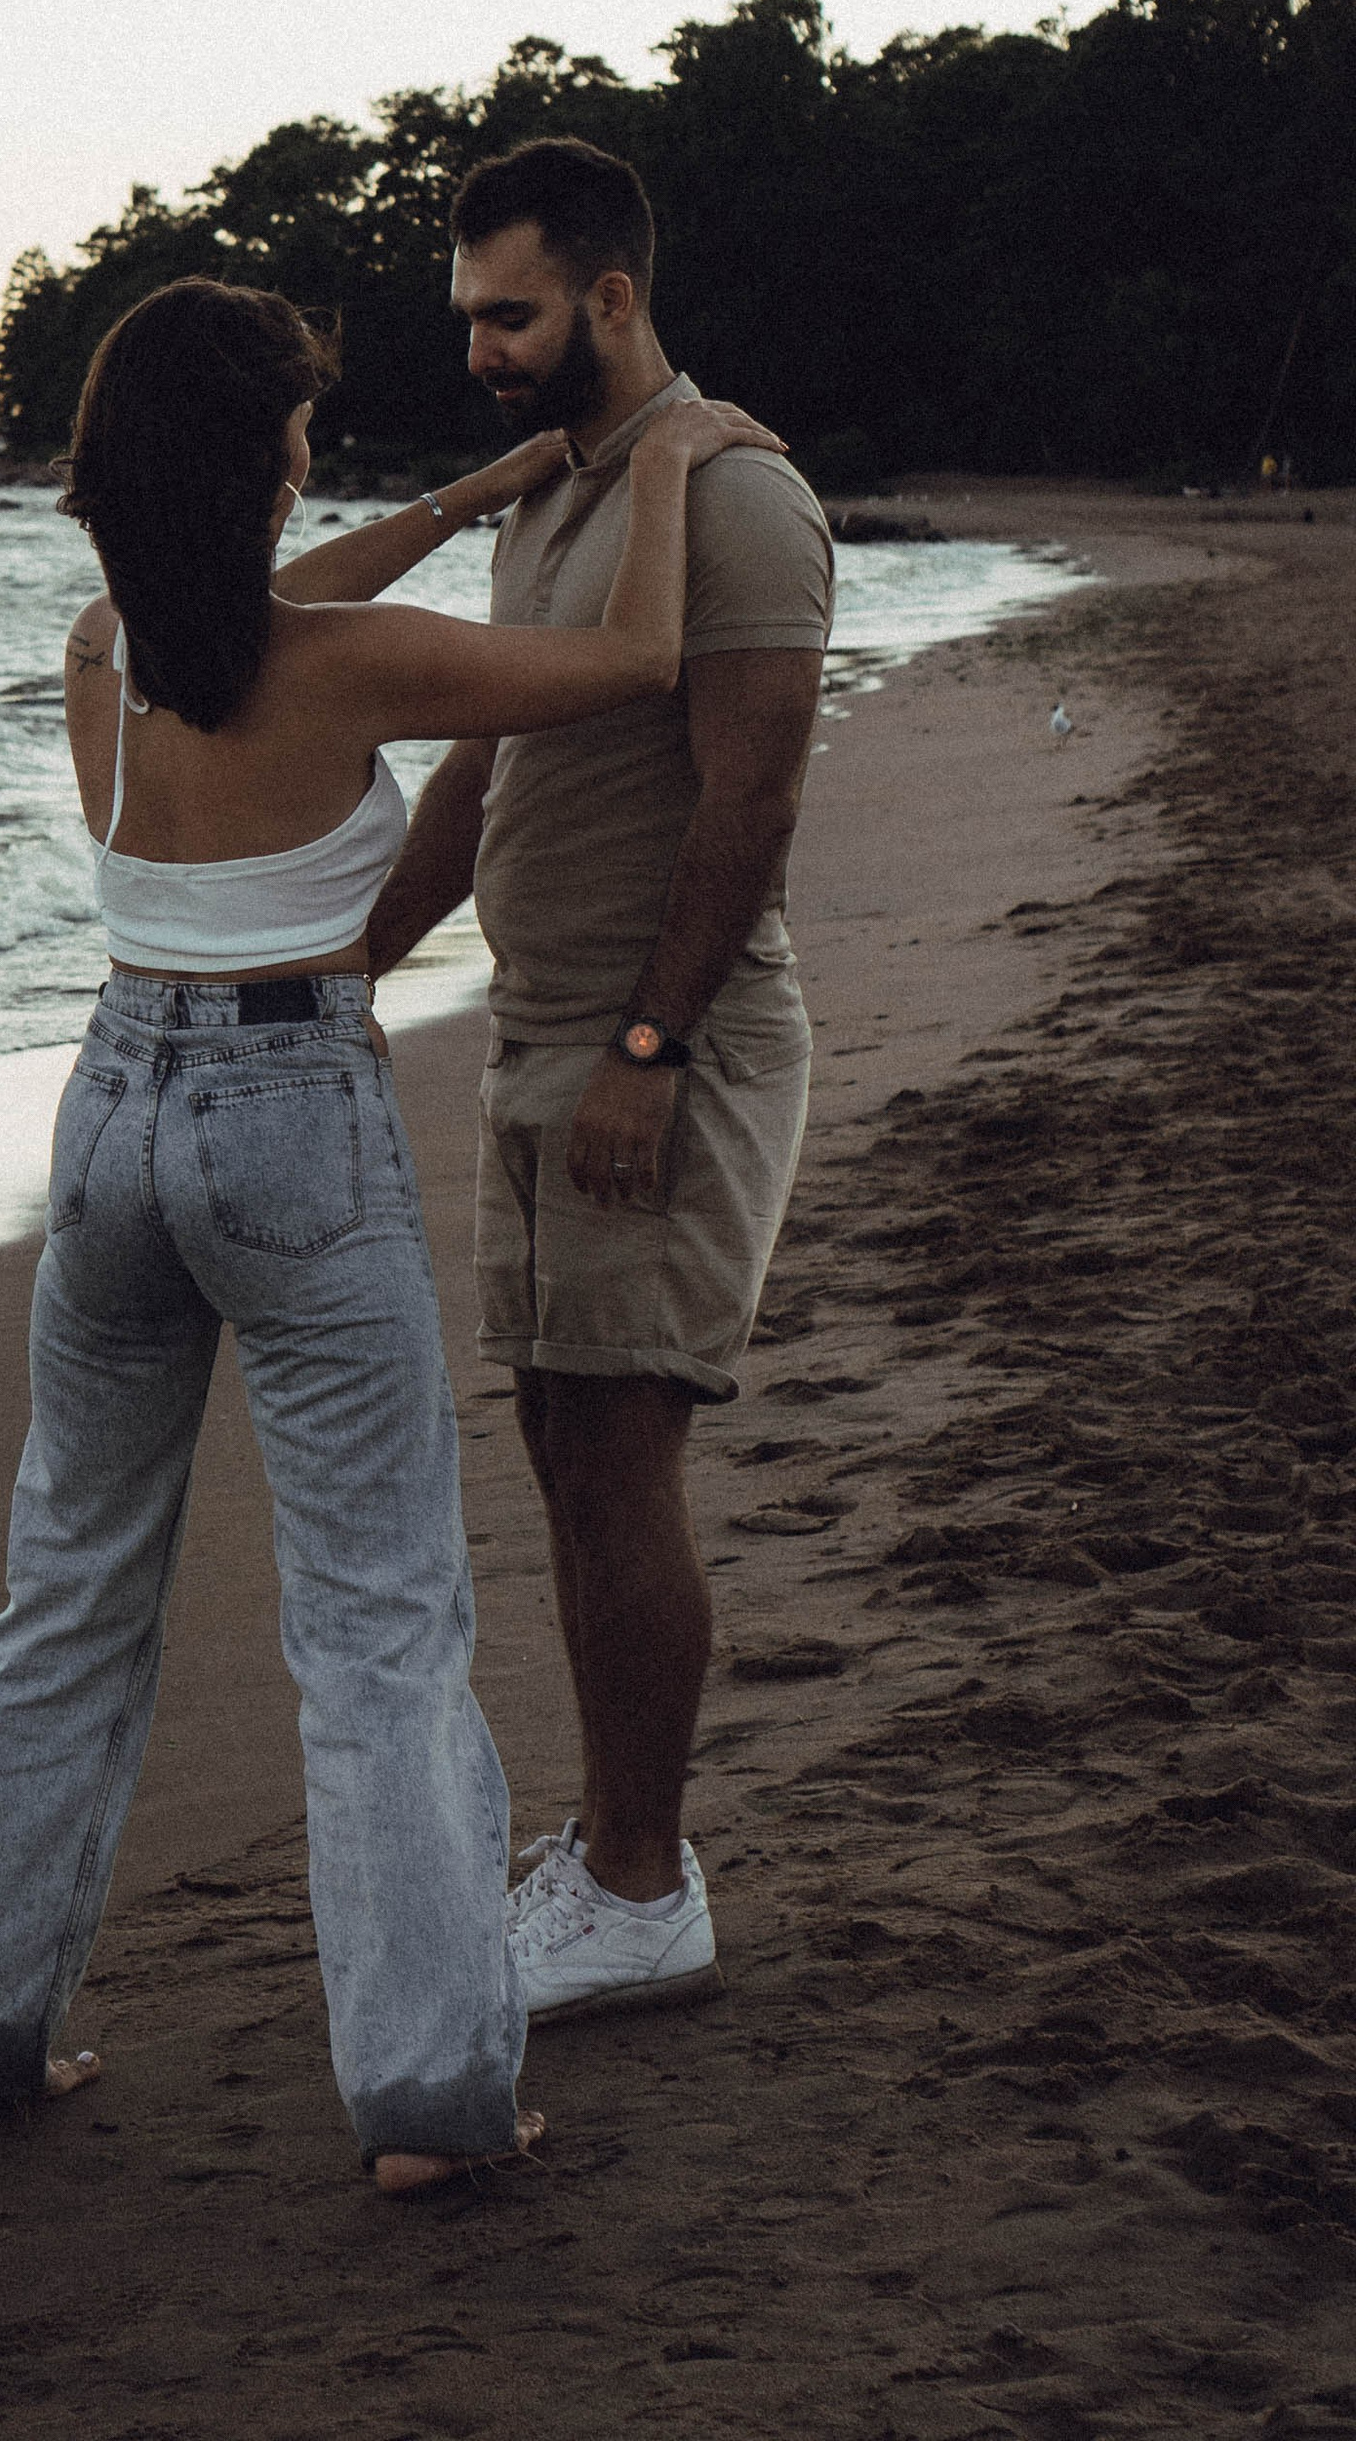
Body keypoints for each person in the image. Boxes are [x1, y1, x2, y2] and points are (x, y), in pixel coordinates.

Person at [0, 275, 781, 2191]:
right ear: (266, 461)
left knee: (64, 1595)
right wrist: (672, 462)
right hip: (293, 1117)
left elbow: (275, 596)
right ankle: (433, 2103)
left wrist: (472, 502)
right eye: (296, 426)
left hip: (110, 1116)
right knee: (380, 1630)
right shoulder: (352, 669)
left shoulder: (100, 647)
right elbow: (635, 662)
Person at [364, 136, 833, 2029]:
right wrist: (353, 967)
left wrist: (652, 1047)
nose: (482, 346)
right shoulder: (564, 496)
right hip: (540, 1039)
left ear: (611, 298)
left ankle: (643, 1888)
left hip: (662, 1052)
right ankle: (611, 1844)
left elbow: (758, 793)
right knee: (565, 1451)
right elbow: (483, 758)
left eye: (514, 314)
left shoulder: (735, 502)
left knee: (624, 1455)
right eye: (468, 314)